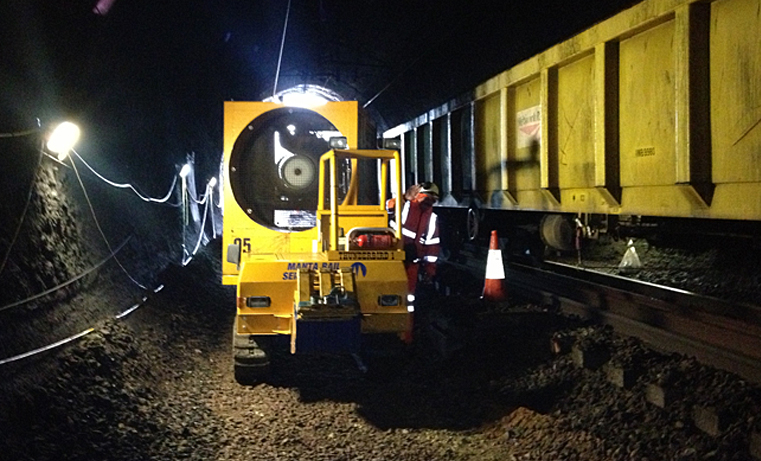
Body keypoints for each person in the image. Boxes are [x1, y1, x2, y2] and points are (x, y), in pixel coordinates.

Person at [397, 182, 440, 293]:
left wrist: (429, 271)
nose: (428, 202)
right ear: (417, 195)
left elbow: (432, 248)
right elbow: (388, 207)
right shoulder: (405, 206)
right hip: (394, 256)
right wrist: (404, 198)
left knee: (408, 295)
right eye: (425, 197)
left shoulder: (431, 218)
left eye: (432, 200)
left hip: (412, 261)